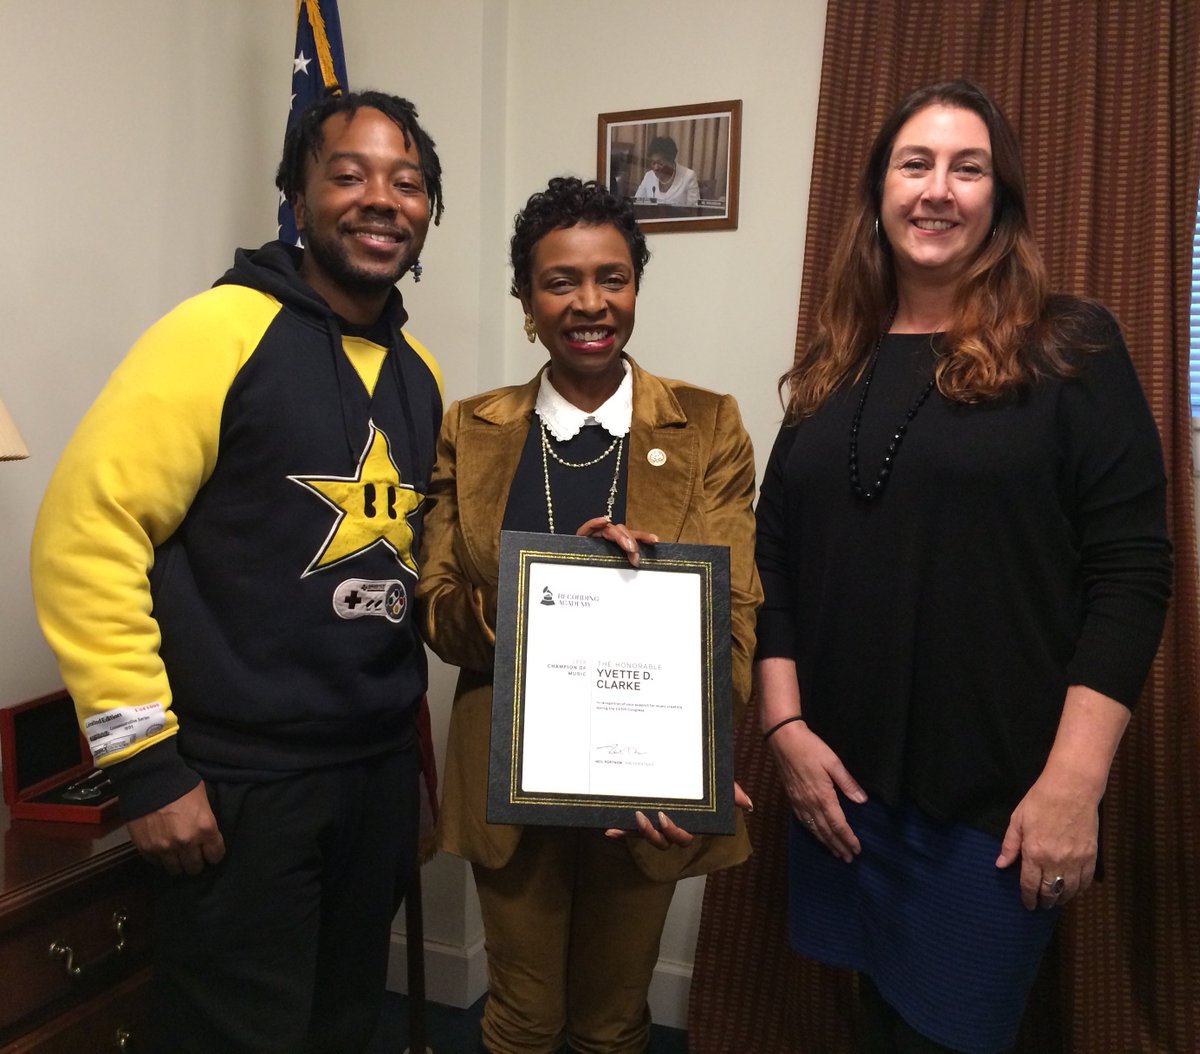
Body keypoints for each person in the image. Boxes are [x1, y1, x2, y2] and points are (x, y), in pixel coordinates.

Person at [754, 80, 1172, 1053]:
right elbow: (774, 555)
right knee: (875, 1027)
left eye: (967, 167)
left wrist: (1075, 781)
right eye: (916, 164)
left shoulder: (1072, 347)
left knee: (953, 1036)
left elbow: (1132, 571)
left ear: (1000, 199)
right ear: (879, 192)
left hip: (995, 808)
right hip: (843, 792)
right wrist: (783, 728)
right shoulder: (832, 363)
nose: (938, 189)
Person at [30, 90, 445, 1053]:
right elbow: (85, 535)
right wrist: (143, 767)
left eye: (408, 181)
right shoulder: (215, 333)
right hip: (239, 789)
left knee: (344, 1025)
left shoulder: (418, 373)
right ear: (296, 196)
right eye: (348, 174)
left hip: (372, 781)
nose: (380, 198)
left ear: (428, 215)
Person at [417, 176, 761, 1054]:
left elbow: (734, 608)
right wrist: (551, 591)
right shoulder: (471, 427)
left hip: (644, 783)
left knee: (613, 1024)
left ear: (637, 286)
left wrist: (694, 757)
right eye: (560, 282)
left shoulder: (709, 425)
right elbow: (437, 608)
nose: (589, 303)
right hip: (509, 771)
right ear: (527, 302)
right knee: (522, 1019)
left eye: (612, 277)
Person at [633, 135, 701, 206]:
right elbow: (636, 203)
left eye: (660, 163)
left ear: (671, 160)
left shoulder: (688, 176)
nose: (656, 168)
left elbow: (694, 210)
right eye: (653, 163)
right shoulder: (648, 176)